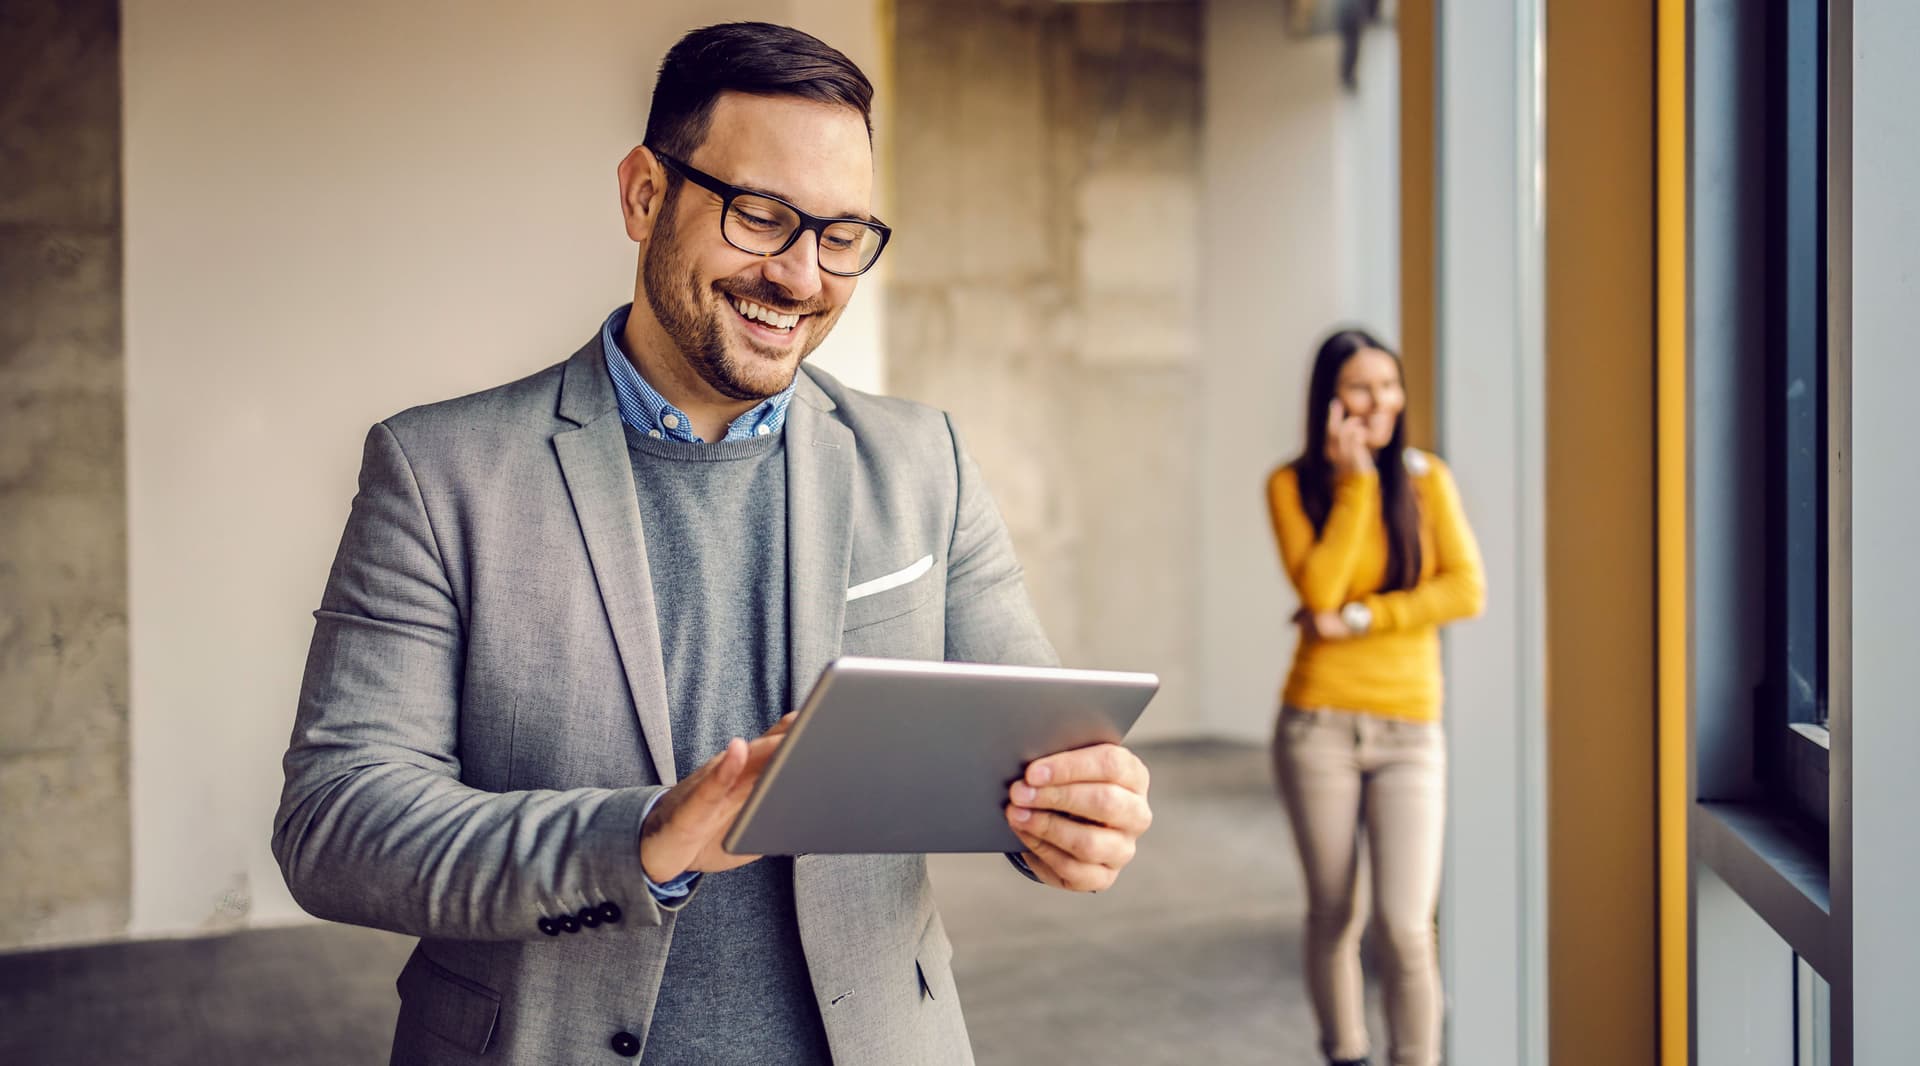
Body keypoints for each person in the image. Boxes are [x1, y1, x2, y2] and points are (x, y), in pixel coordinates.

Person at [271, 22, 1152, 1066]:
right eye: (763, 216)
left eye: (841, 236)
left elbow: (1032, 744)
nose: (800, 276)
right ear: (646, 195)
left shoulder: (926, 461)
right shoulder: (438, 472)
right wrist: (642, 838)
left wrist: (1072, 817)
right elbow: (337, 822)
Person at [1264, 329, 1485, 1066]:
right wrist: (1355, 483)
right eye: (1362, 388)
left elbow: (1465, 589)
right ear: (1329, 399)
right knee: (1334, 913)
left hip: (1410, 730)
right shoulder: (1292, 486)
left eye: (1389, 386)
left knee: (1405, 924)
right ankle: (1346, 1053)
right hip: (1317, 727)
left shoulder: (1429, 481)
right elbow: (1316, 589)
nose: (1380, 402)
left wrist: (1363, 617)